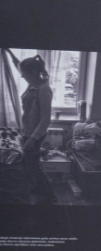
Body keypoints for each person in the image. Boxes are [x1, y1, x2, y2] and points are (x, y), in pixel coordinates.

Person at [16, 54, 56, 204]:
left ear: (32, 73)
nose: (22, 77)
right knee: (30, 164)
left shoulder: (43, 89)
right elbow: (20, 67)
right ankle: (39, 188)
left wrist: (33, 139)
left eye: (24, 74)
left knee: (33, 167)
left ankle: (50, 194)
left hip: (35, 134)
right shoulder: (32, 84)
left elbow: (46, 119)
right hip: (28, 132)